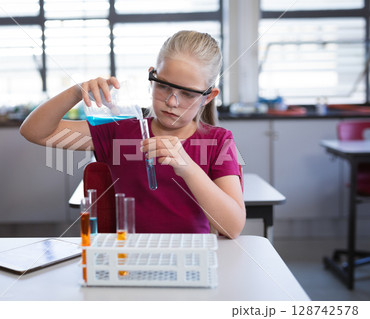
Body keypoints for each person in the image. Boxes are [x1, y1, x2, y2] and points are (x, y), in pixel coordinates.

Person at [20, 30, 245, 238]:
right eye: (164, 86)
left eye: (187, 94)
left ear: (208, 96)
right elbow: (35, 132)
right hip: (129, 259)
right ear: (151, 77)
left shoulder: (218, 141)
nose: (172, 101)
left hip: (192, 260)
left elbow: (232, 227)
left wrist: (187, 166)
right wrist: (77, 92)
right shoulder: (120, 131)